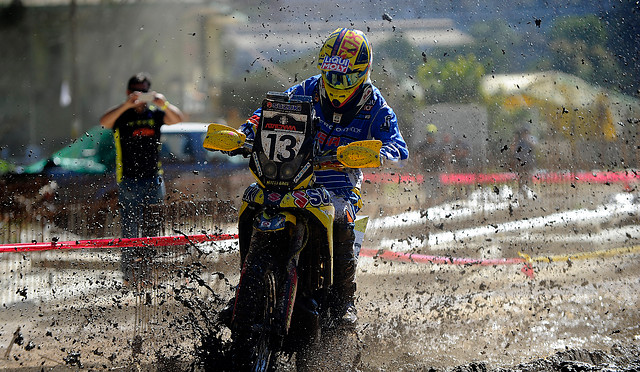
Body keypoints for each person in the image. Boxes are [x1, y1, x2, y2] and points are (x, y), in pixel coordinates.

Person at [238, 28, 409, 325]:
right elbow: (270, 114)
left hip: (339, 185)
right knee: (253, 201)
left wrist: (380, 154)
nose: (336, 83)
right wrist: (245, 132)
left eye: (343, 77)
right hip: (292, 175)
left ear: (363, 72)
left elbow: (399, 148)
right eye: (330, 76)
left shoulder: (375, 104)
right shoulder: (308, 88)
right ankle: (245, 289)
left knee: (343, 219)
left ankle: (344, 301)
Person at [99, 72, 185, 285]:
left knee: (153, 229)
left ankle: (147, 273)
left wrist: (164, 103)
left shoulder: (156, 113)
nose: (142, 95)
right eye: (138, 91)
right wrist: (126, 105)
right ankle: (129, 275)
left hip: (154, 179)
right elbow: (104, 122)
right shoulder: (122, 115)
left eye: (145, 91)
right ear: (129, 92)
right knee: (130, 230)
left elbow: (178, 119)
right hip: (128, 180)